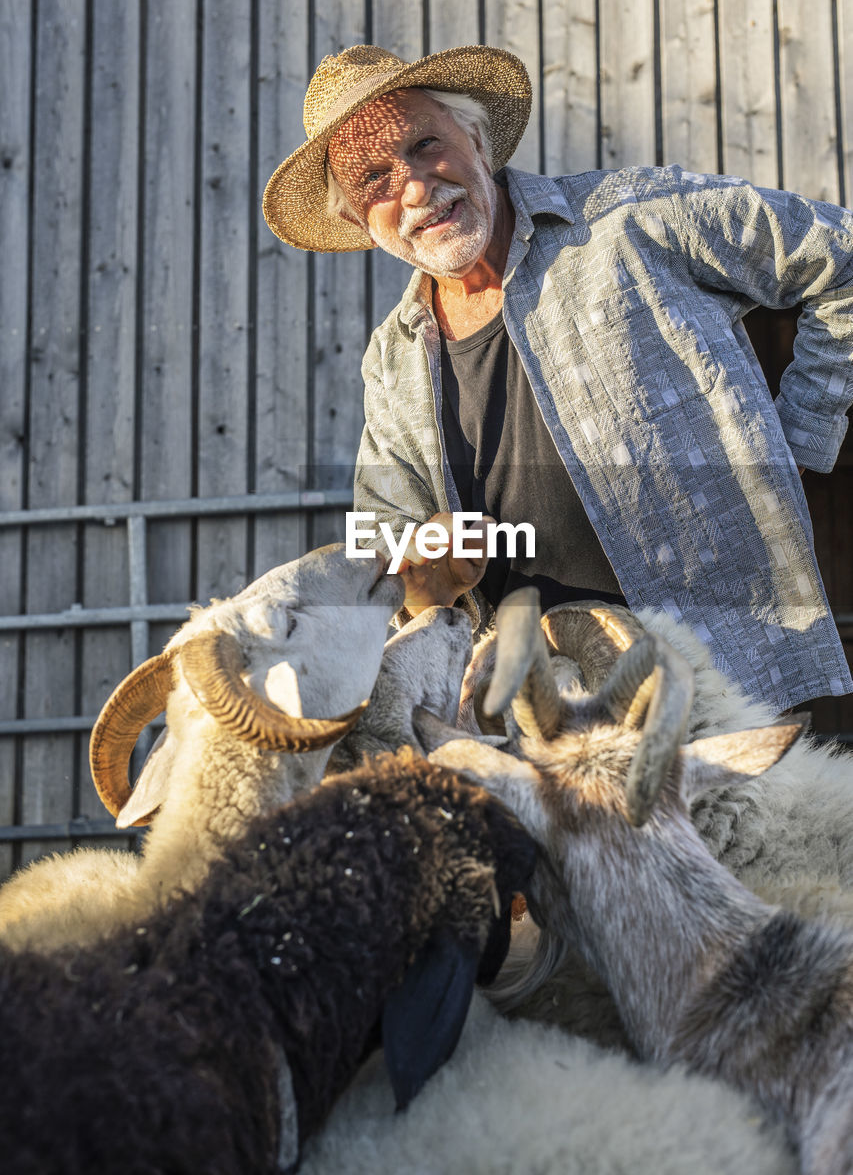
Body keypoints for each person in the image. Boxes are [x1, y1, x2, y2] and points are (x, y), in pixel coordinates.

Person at [263, 43, 853, 712]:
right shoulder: (393, 357)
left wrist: (799, 440)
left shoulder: (628, 218)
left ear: (478, 142)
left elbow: (842, 258)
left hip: (743, 683)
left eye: (425, 144)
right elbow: (386, 541)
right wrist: (430, 569)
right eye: (374, 179)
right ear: (358, 221)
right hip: (549, 734)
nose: (416, 187)